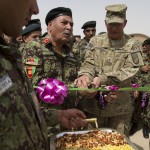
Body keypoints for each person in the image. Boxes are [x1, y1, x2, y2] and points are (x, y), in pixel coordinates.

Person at [0, 1, 87, 149]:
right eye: (64, 23)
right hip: (47, 127)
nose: (69, 27)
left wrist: (85, 83)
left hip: (63, 122)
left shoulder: (71, 54)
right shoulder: (34, 48)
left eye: (71, 24)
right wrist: (74, 88)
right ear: (50, 26)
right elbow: (35, 84)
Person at [75, 4, 144, 137]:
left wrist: (103, 79)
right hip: (93, 108)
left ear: (125, 23)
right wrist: (85, 76)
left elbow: (132, 70)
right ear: (105, 23)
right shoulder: (95, 41)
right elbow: (88, 63)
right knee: (91, 144)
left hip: (120, 111)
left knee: (117, 145)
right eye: (110, 24)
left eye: (118, 24)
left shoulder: (133, 44)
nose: (113, 28)